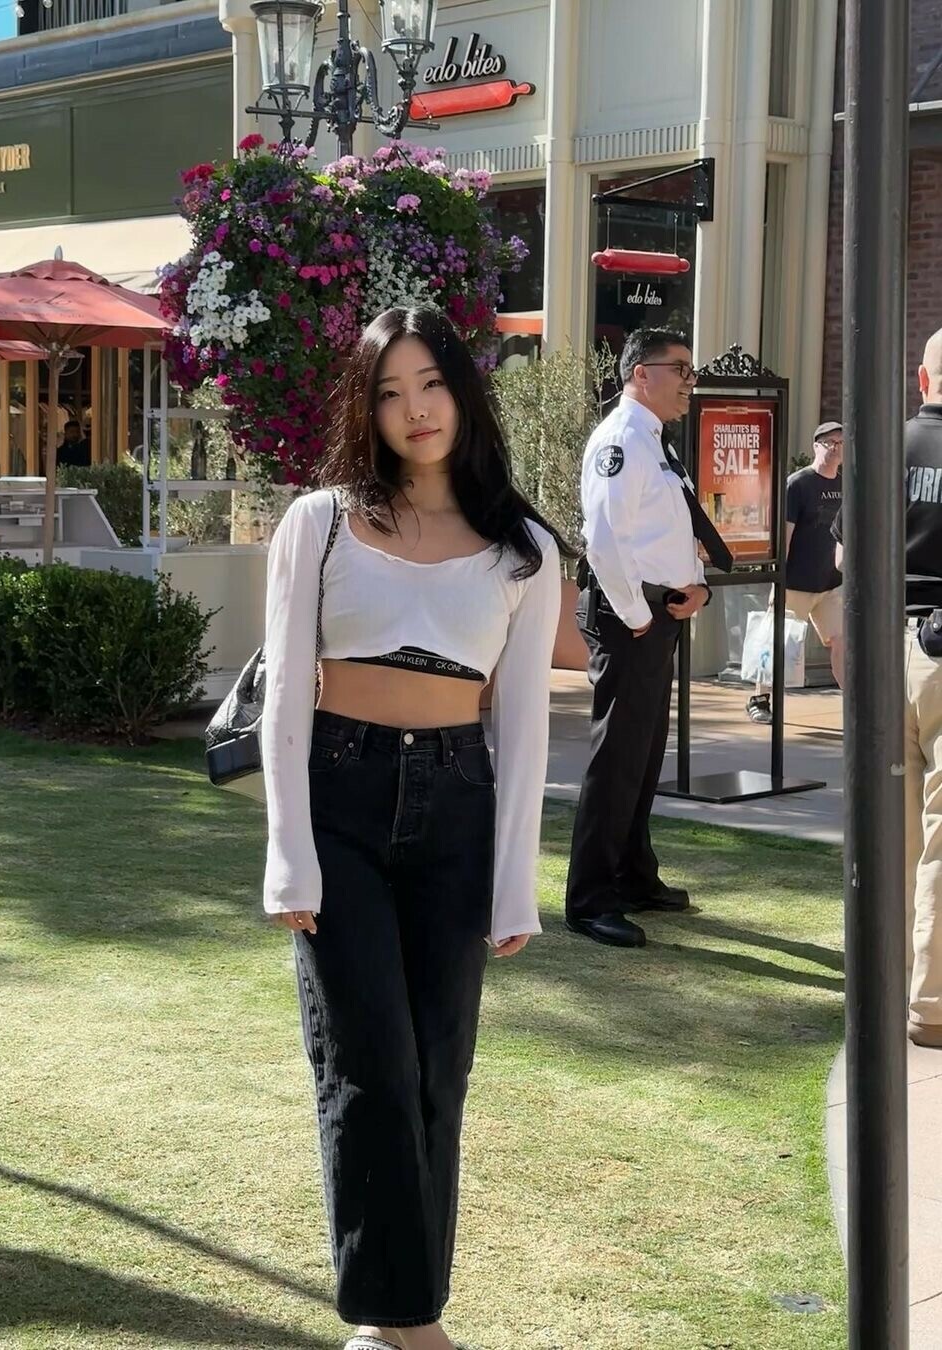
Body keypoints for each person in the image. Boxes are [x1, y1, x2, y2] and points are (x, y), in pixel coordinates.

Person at [261, 306, 564, 1350]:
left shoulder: (524, 549)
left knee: (439, 1068)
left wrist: (515, 883)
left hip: (458, 805)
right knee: (369, 1064)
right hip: (338, 802)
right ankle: (403, 1322)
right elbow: (284, 697)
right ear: (367, 407)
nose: (414, 409)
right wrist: (288, 854)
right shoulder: (320, 524)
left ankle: (399, 1315)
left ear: (462, 392)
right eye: (388, 392)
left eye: (430, 383)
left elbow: (522, 728)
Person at [565, 327, 731, 949]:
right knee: (618, 759)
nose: (690, 381)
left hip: (657, 614)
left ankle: (633, 876)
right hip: (628, 617)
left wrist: (695, 587)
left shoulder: (653, 439)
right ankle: (589, 900)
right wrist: (638, 615)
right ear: (641, 373)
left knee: (643, 754)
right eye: (680, 369)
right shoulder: (621, 440)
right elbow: (604, 540)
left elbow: (669, 531)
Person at [834, 330, 942, 1050]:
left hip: (883, 653)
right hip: (941, 656)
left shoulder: (882, 447)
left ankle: (885, 989)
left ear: (922, 380)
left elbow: (847, 556)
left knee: (891, 832)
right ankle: (930, 1005)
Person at [746, 422, 844, 724]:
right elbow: (784, 536)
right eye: (830, 442)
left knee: (842, 642)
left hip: (830, 584)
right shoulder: (798, 484)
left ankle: (855, 704)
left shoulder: (846, 485)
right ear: (816, 446)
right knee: (777, 641)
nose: (836, 448)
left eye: (841, 443)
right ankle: (760, 699)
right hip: (795, 583)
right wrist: (778, 580)